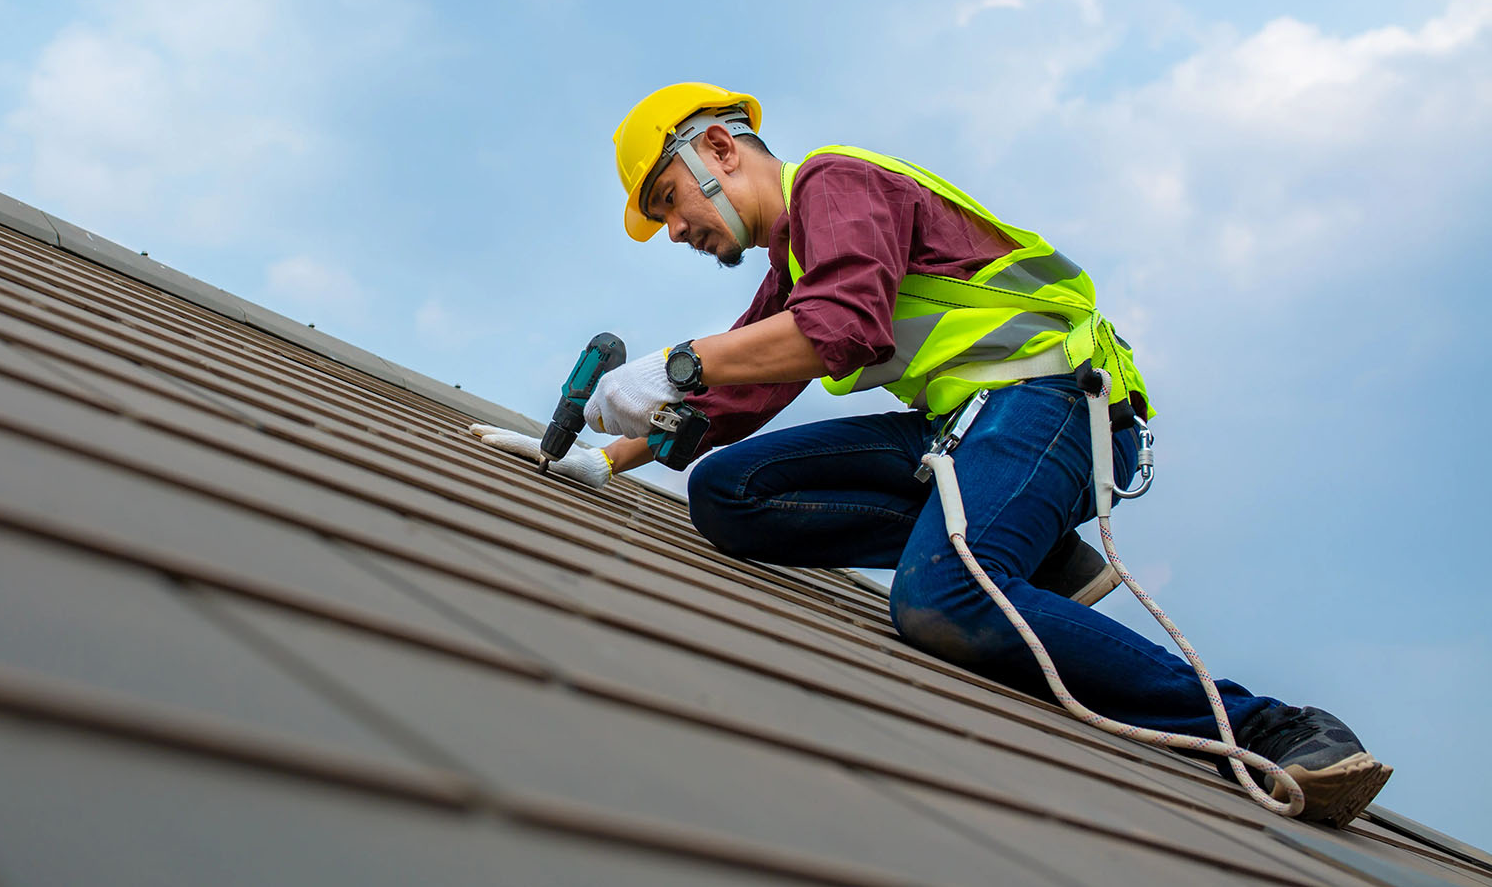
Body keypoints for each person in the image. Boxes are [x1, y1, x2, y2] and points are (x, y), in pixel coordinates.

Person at [470, 82, 1391, 826]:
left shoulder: (836, 185)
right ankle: (1028, 554)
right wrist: (607, 460)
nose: (675, 230)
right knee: (726, 489)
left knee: (942, 600)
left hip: (1054, 402)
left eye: (669, 202)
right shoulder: (793, 265)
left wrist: (678, 362)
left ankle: (1275, 728)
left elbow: (835, 329)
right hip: (973, 430)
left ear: (718, 151)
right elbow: (736, 393)